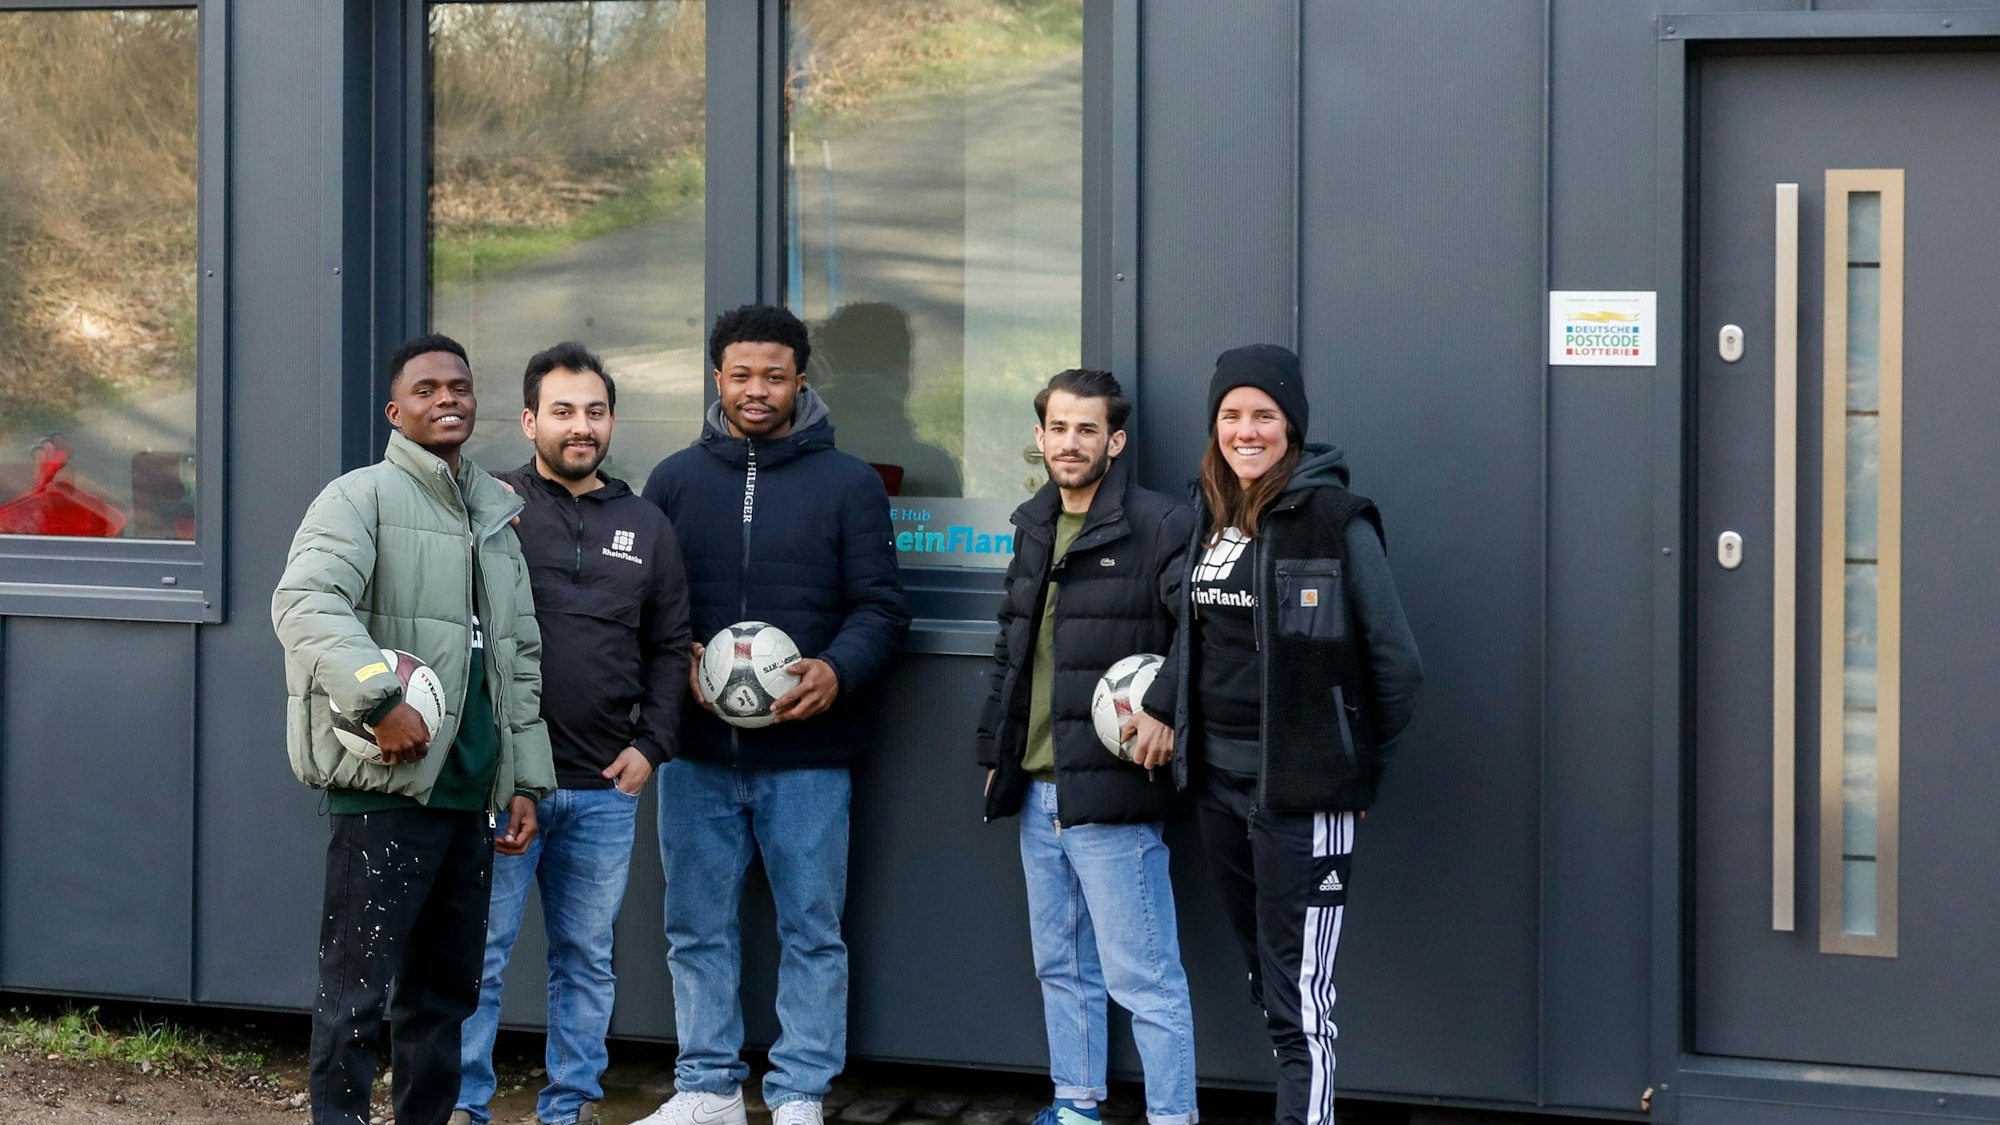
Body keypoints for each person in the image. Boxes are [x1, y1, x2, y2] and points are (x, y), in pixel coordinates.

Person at [635, 304, 911, 1125]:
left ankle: (798, 1093)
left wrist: (837, 667)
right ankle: (708, 1086)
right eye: (741, 374)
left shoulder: (849, 483)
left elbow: (882, 610)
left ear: (801, 378)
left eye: (775, 375)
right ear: (717, 378)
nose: (758, 391)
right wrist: (675, 650)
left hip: (810, 755)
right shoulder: (674, 480)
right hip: (695, 754)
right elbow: (646, 604)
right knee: (694, 925)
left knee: (812, 929)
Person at [272, 333, 555, 1125]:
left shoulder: (497, 516)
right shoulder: (358, 498)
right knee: (356, 990)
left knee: (443, 998)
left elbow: (518, 660)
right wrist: (375, 699)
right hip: (385, 797)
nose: (447, 399)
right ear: (397, 411)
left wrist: (524, 779)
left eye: (459, 386)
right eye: (427, 389)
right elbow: (305, 603)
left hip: (469, 796)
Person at [1178, 344, 1422, 1125]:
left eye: (1264, 415)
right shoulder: (1209, 514)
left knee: (1300, 997)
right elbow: (1196, 642)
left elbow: (1398, 665)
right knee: (1268, 981)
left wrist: (1352, 772)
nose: (1246, 432)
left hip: (1300, 794)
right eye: (1231, 416)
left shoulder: (1335, 520)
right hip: (1218, 787)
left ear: (1293, 425)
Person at [452, 343, 692, 1125]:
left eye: (594, 411)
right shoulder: (491, 507)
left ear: (612, 419)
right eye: (562, 410)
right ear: (529, 420)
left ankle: (572, 1106)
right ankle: (465, 1105)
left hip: (601, 789)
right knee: (479, 959)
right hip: (504, 785)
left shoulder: (646, 524)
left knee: (586, 960)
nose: (580, 426)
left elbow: (668, 645)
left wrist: (651, 745)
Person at [974, 369, 1200, 1125]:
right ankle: (1075, 1105)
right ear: (1038, 438)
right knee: (1063, 966)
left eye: (1086, 430)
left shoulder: (1160, 524)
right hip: (1037, 788)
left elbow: (1199, 637)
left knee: (1145, 977)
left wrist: (1166, 711)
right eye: (1058, 428)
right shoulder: (1033, 522)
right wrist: (995, 755)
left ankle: (1173, 1117)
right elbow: (1013, 647)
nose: (1070, 443)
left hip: (1113, 793)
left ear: (1115, 440)